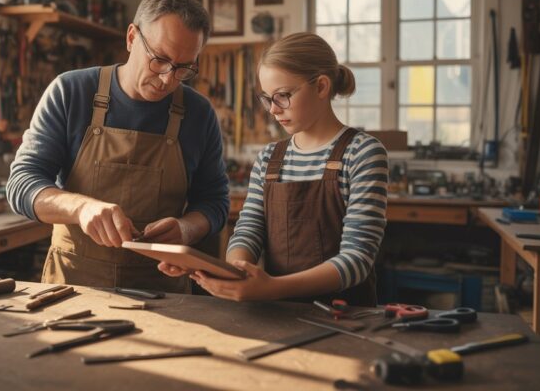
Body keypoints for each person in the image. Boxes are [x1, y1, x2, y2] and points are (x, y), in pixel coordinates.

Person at [6, 0, 229, 292]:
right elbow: (21, 184)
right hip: (74, 288)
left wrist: (187, 229)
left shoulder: (199, 113)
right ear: (131, 37)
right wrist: (80, 208)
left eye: (183, 68)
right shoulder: (70, 92)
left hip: (161, 290)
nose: (168, 79)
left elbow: (215, 201)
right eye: (160, 59)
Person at [161, 32, 388, 306]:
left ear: (321, 87)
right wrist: (234, 271)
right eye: (267, 98)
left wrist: (272, 289)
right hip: (279, 314)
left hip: (345, 318)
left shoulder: (362, 153)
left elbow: (357, 260)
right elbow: (248, 230)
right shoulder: (270, 158)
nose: (272, 110)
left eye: (282, 96)